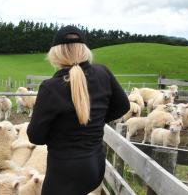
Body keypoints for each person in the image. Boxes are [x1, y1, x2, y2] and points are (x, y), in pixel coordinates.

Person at [26, 25, 130, 195]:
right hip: (95, 166)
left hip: (65, 172)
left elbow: (35, 136)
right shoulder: (103, 73)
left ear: (55, 53)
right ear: (84, 49)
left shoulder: (51, 87)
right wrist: (94, 121)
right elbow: (123, 106)